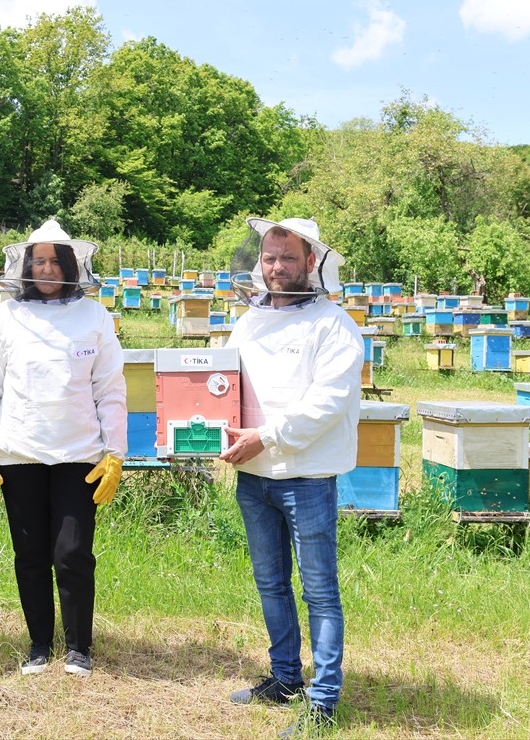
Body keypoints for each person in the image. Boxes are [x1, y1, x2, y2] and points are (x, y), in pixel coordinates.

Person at [220, 217, 363, 738]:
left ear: (311, 263)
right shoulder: (250, 320)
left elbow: (325, 404)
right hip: (253, 473)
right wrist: (210, 429)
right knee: (270, 583)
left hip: (306, 475)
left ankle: (323, 700)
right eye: (269, 257)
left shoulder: (334, 326)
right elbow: (223, 384)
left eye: (287, 257)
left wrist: (267, 435)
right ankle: (284, 678)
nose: (276, 266)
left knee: (319, 589)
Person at [0, 219, 127, 677]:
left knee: (73, 552)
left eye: (56, 260)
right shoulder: (5, 316)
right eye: (38, 260)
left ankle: (79, 647)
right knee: (30, 553)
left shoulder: (94, 316)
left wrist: (115, 451)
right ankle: (39, 644)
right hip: (19, 453)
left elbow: (111, 389)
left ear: (72, 265)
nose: (47, 268)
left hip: (80, 455)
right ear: (26, 265)